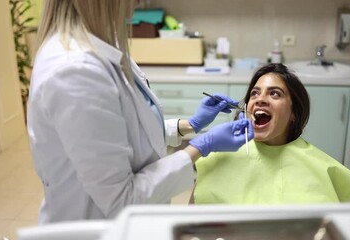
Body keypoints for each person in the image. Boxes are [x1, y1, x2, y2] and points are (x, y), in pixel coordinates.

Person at [27, 0, 253, 224]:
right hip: (96, 227)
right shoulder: (76, 70)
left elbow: (119, 133)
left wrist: (189, 126)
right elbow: (121, 200)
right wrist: (200, 147)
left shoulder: (103, 45)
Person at [193, 63, 350, 204]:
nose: (260, 99)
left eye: (274, 93)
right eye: (255, 93)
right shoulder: (216, 159)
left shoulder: (325, 168)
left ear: (294, 113)